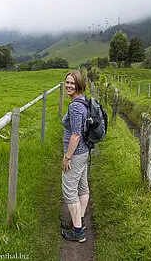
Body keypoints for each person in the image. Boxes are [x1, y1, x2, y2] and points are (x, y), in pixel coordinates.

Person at [61, 70, 89, 243]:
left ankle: (78, 232)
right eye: (67, 82)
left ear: (79, 84)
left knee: (70, 191)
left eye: (72, 83)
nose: (69, 85)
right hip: (84, 152)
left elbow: (76, 135)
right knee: (82, 187)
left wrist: (68, 157)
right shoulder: (82, 101)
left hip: (76, 154)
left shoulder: (76, 106)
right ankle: (79, 221)